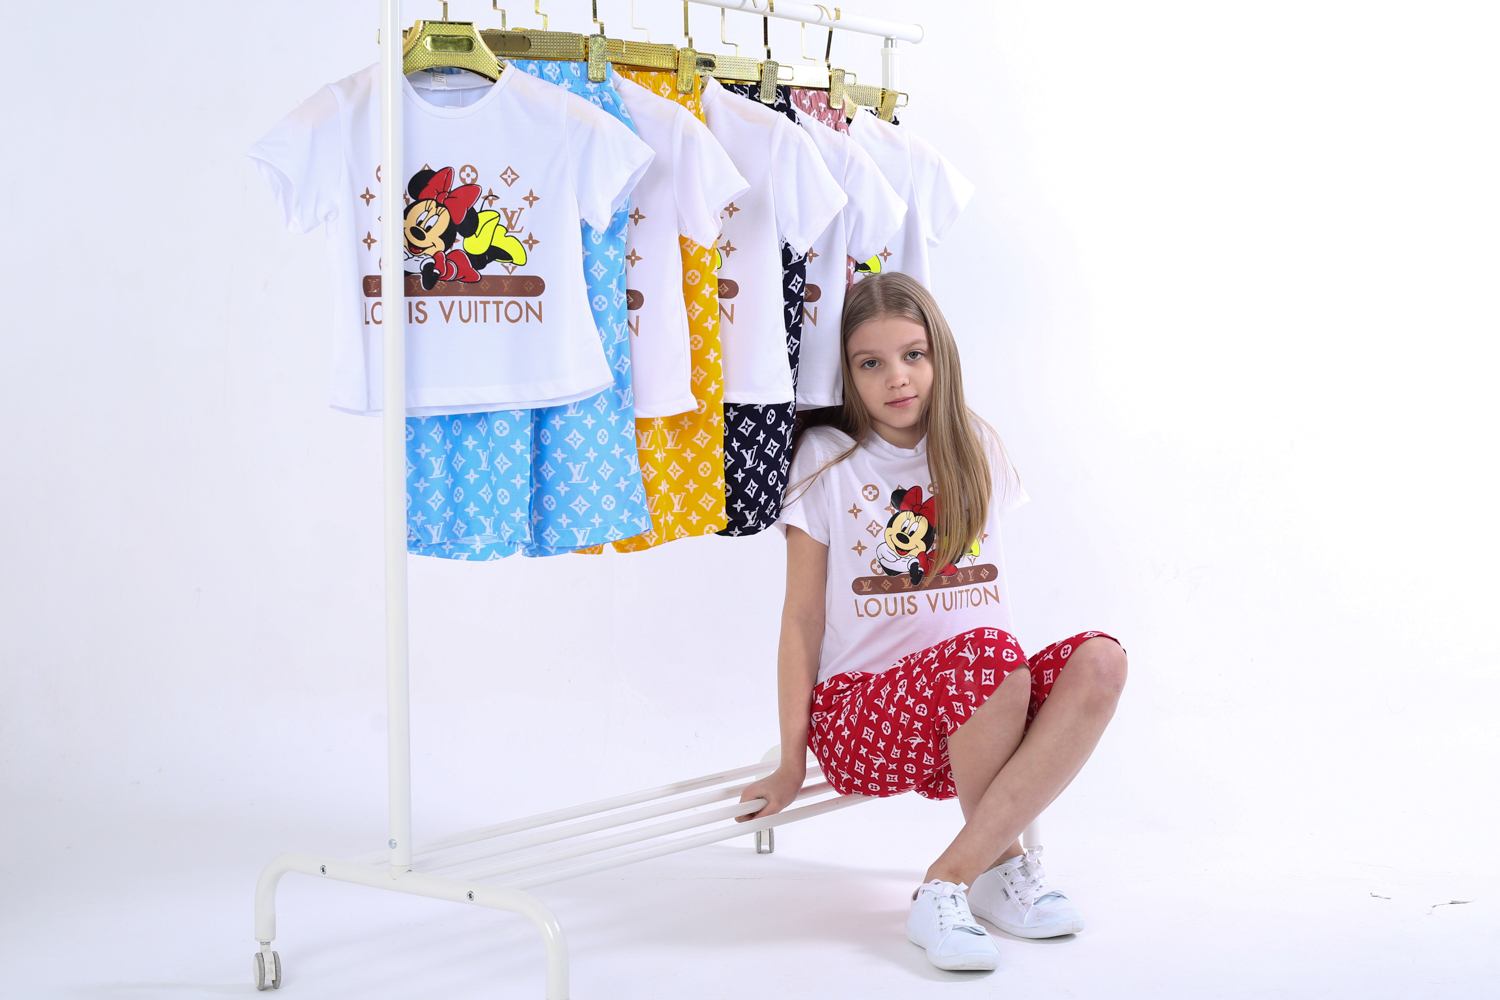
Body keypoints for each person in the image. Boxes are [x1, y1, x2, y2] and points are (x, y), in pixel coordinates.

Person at [737, 272, 1127, 972]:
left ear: (939, 355)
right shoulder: (826, 458)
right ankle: (986, 871)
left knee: (1102, 661)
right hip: (863, 717)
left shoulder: (975, 443)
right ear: (846, 374)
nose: (897, 377)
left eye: (913, 354)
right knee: (992, 654)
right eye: (871, 362)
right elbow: (800, 621)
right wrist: (791, 760)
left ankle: (967, 876)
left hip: (980, 707)